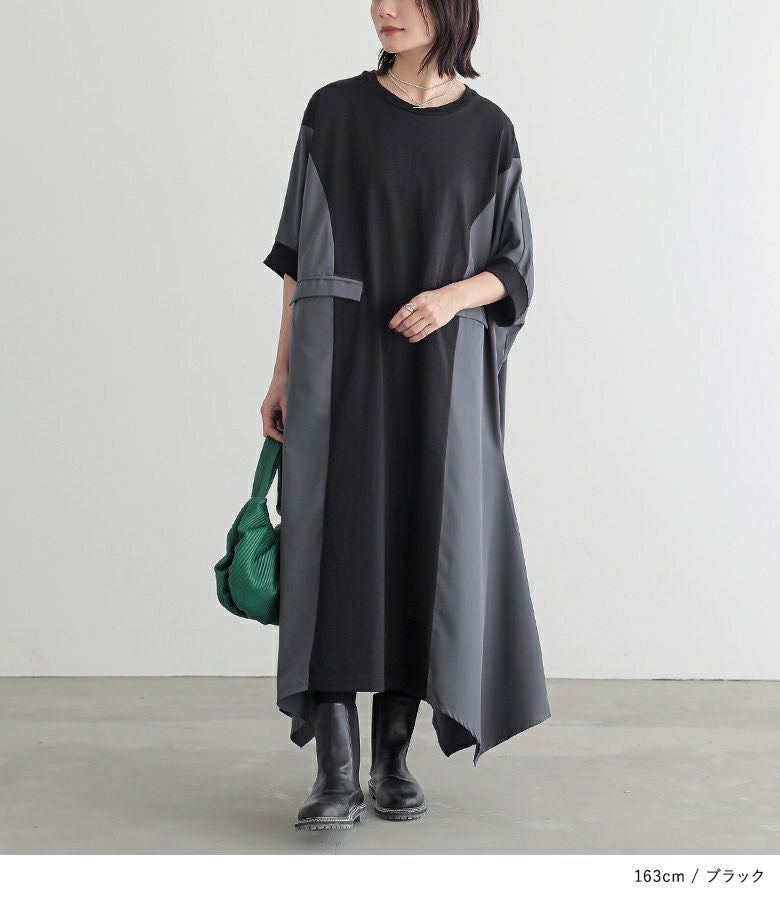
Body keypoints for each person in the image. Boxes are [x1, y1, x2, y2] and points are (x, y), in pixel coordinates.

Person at [260, 0, 551, 832]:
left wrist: (451, 296)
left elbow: (514, 267)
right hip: (339, 364)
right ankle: (335, 774)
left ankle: (392, 760)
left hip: (440, 373)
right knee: (333, 553)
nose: (385, 9)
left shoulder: (489, 131)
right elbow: (297, 253)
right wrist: (282, 370)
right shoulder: (333, 111)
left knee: (421, 548)